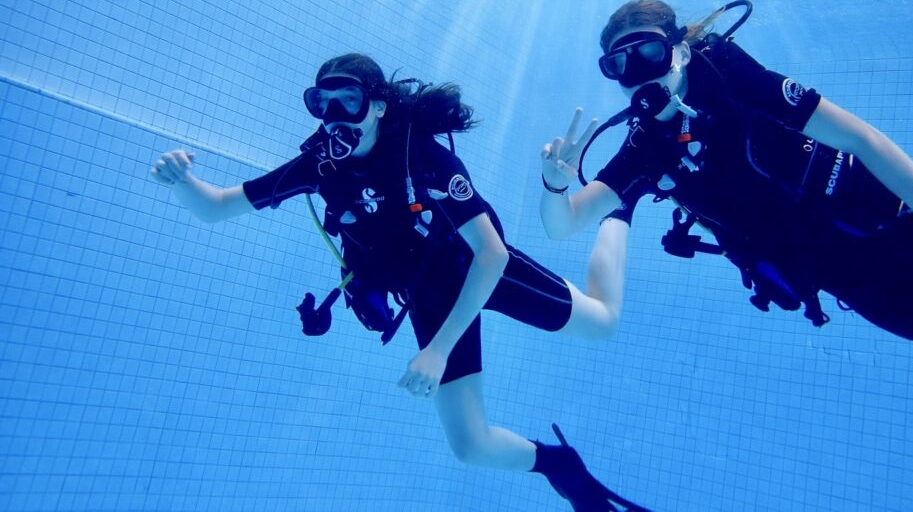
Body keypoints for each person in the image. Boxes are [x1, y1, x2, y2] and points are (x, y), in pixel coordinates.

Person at [150, 53, 649, 512]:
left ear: (378, 107)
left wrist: (437, 350)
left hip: (475, 269)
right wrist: (183, 183)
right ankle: (558, 464)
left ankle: (617, 214)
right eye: (322, 102)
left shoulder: (425, 158)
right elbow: (217, 207)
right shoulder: (321, 167)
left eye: (350, 100)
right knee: (470, 446)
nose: (336, 115)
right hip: (427, 293)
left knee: (602, 322)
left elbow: (491, 253)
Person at [540, 0, 913, 360]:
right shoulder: (645, 148)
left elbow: (863, 140)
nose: (638, 73)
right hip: (836, 265)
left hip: (876, 196)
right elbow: (562, 224)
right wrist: (555, 183)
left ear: (681, 50)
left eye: (649, 51)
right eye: (619, 66)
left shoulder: (734, 77)